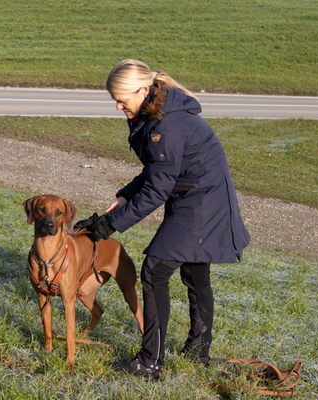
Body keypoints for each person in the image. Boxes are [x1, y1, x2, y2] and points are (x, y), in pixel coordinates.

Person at [74, 59, 250, 380]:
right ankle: (198, 352)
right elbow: (156, 170)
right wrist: (125, 195)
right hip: (192, 192)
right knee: (195, 272)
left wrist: (109, 227)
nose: (117, 106)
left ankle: (150, 361)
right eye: (114, 99)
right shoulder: (151, 111)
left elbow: (156, 190)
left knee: (155, 270)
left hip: (202, 199)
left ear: (143, 90)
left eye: (121, 99)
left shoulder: (165, 125)